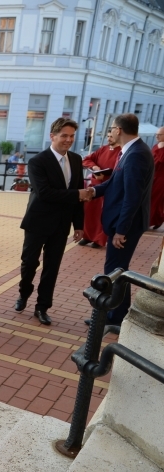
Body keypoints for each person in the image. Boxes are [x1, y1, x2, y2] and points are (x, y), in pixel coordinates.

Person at [16, 118, 88, 326]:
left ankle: (42, 307)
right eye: (64, 135)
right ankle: (23, 293)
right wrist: (77, 194)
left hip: (61, 224)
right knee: (29, 263)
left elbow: (79, 196)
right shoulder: (38, 161)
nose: (68, 140)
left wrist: (79, 224)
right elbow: (45, 193)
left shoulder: (76, 159)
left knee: (52, 268)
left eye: (72, 136)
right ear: (52, 136)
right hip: (37, 221)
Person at [87, 113, 156, 326]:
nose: (110, 132)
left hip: (125, 225)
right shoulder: (132, 151)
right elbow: (115, 183)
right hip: (123, 222)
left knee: (115, 271)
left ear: (118, 130)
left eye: (112, 129)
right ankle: (114, 314)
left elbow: (132, 197)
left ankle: (115, 318)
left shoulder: (136, 154)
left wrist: (121, 230)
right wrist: (91, 191)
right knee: (117, 270)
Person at [80, 131, 121, 248]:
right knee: (89, 212)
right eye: (107, 136)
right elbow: (87, 159)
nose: (109, 139)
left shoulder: (121, 152)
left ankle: (99, 239)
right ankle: (87, 236)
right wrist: (95, 167)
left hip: (108, 186)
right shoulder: (102, 149)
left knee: (103, 214)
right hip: (94, 185)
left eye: (111, 137)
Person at [150, 126, 164, 230]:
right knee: (150, 199)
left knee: (154, 199)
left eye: (159, 134)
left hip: (160, 178)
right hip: (151, 176)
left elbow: (160, 160)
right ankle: (158, 219)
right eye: (156, 134)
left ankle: (147, 221)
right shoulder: (155, 146)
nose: (157, 136)